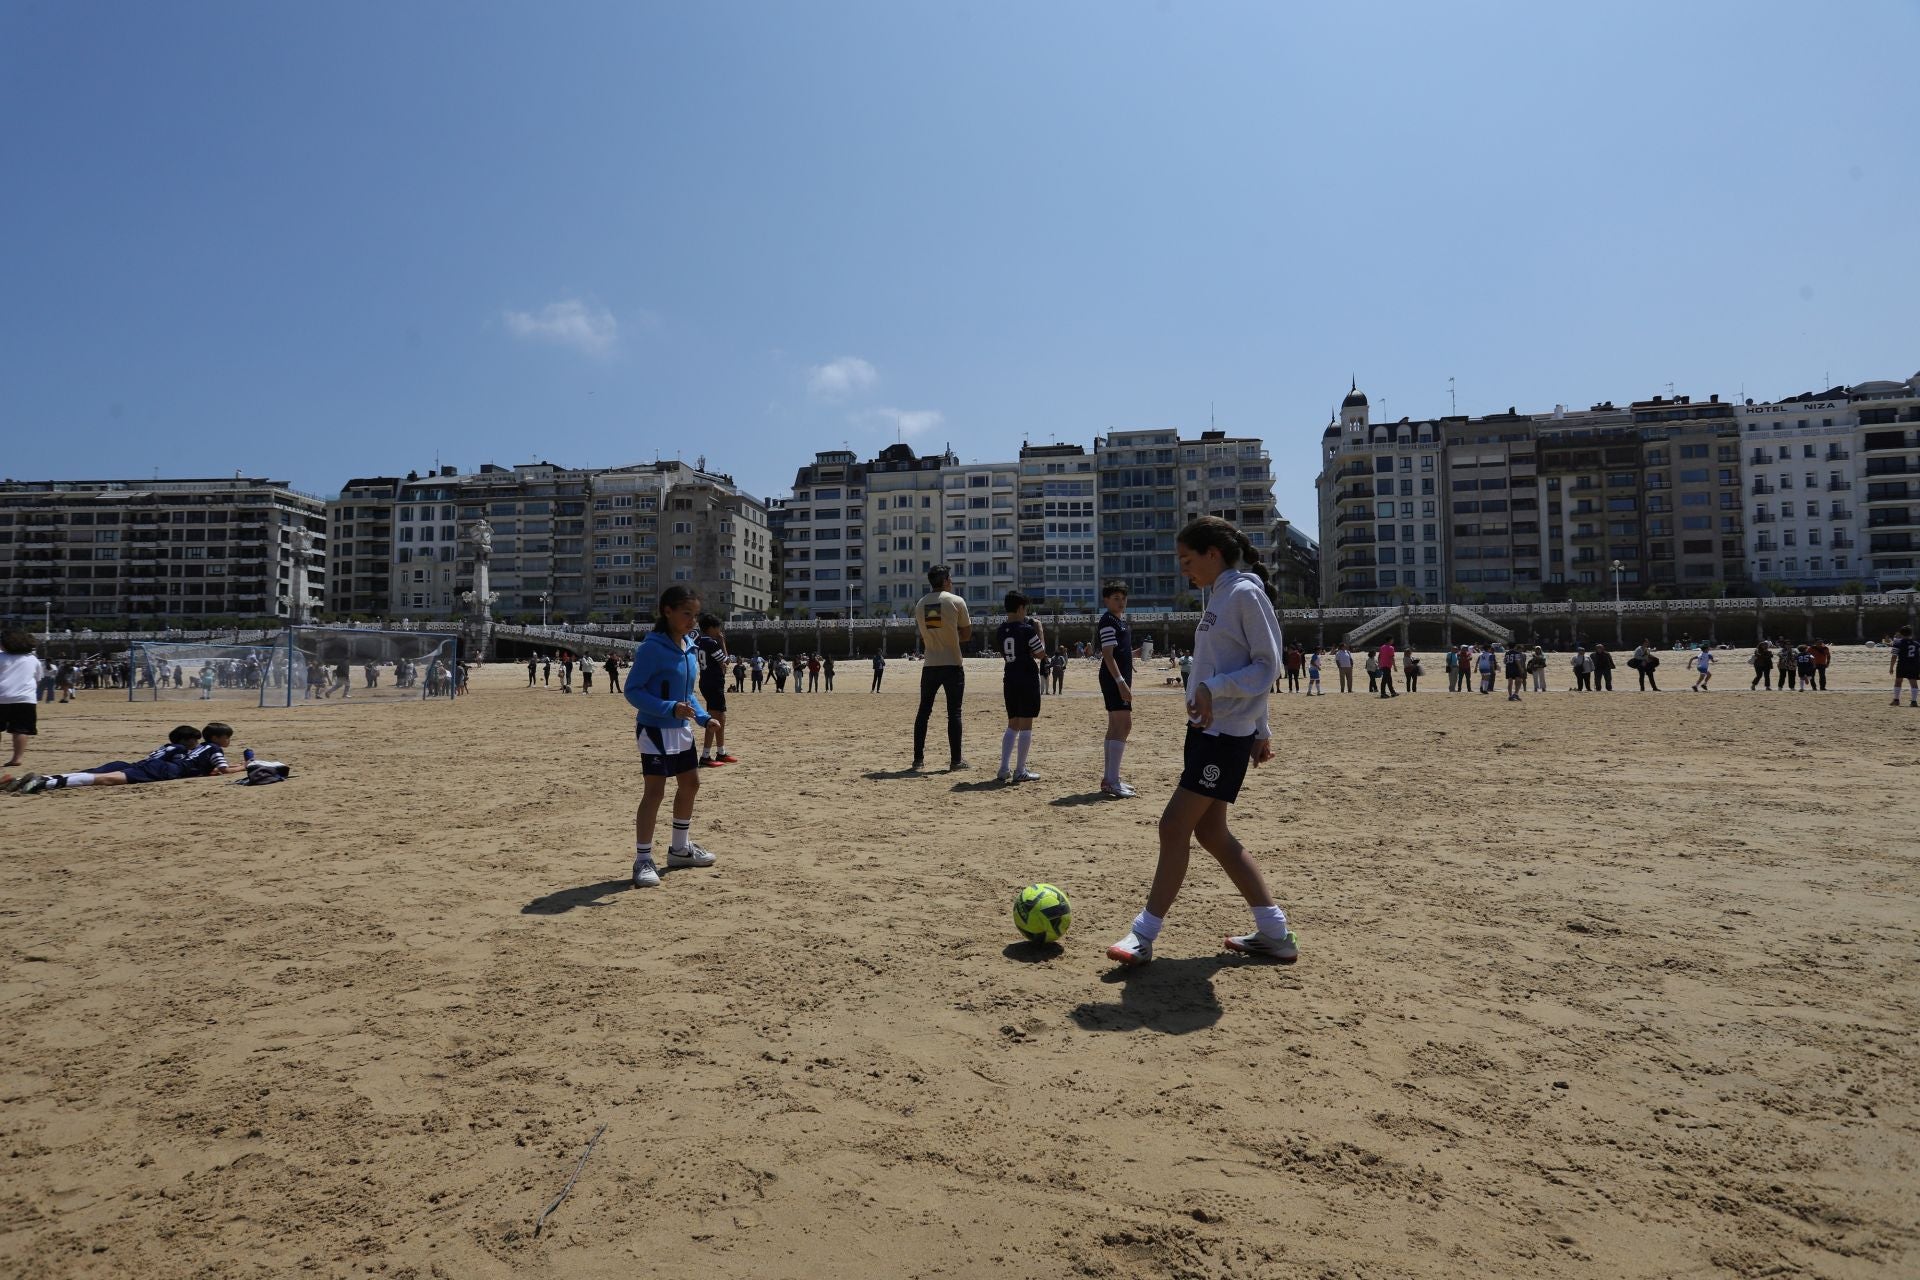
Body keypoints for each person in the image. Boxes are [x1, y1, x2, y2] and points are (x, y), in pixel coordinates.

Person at [1106, 516, 1295, 967]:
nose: (1184, 570)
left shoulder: (1246, 594)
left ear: (1213, 554)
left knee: (1173, 826)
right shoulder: (1220, 595)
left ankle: (1143, 934)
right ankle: (1274, 933)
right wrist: (1260, 728)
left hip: (1224, 737)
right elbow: (1243, 664)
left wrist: (1217, 691)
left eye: (1188, 561)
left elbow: (1269, 667)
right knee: (1212, 832)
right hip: (1210, 732)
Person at [623, 585, 716, 889]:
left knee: (691, 783)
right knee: (655, 792)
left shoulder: (689, 647)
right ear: (668, 611)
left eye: (696, 615)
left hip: (680, 729)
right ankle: (643, 859)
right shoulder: (652, 648)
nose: (693, 620)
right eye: (686, 614)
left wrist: (703, 717)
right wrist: (668, 708)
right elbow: (633, 690)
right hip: (654, 729)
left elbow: (687, 693)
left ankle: (679, 849)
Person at [15, 722, 238, 793]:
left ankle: (42, 778)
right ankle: (45, 783)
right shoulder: (184, 750)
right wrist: (245, 765)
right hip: (158, 769)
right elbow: (221, 769)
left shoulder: (166, 746)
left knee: (95, 773)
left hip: (141, 763)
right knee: (104, 779)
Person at [911, 565, 972, 771]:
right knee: (954, 712)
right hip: (952, 662)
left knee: (923, 712)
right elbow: (966, 634)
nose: (952, 581)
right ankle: (956, 761)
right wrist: (952, 638)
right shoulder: (955, 601)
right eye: (950, 578)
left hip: (930, 664)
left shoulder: (921, 604)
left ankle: (918, 759)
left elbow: (929, 632)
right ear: (945, 580)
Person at [994, 591, 1047, 783]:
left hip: (1010, 677)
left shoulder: (1000, 630)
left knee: (1012, 724)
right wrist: (1040, 630)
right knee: (1026, 725)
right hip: (1026, 678)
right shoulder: (1027, 630)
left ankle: (1003, 767)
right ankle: (1020, 770)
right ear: (1020, 608)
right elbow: (1041, 654)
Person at [1096, 581, 1136, 798]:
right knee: (1123, 724)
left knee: (1115, 726)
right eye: (1115, 599)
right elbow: (1108, 655)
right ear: (1106, 600)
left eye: (1123, 598)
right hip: (1114, 679)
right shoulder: (1109, 622)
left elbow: (1118, 652)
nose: (1121, 602)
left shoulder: (1117, 622)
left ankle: (1110, 778)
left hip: (1115, 677)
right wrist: (1121, 682)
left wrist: (1135, 654)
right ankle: (1112, 780)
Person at [695, 614, 737, 768]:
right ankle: (706, 755)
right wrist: (722, 641)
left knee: (720, 717)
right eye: (718, 627)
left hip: (707, 682)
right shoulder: (712, 643)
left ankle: (721, 751)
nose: (719, 630)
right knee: (714, 719)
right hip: (713, 682)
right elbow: (726, 660)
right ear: (711, 628)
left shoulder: (699, 641)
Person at [1, 629, 42, 771]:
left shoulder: (1, 658)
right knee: (20, 729)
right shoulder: (32, 659)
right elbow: (37, 678)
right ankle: (17, 758)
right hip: (25, 698)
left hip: (1, 696)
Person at [1890, 625, 1919, 707]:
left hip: (1902, 664)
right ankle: (1914, 701)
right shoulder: (1916, 644)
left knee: (1898, 682)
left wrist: (1891, 667)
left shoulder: (1898, 643)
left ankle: (1896, 700)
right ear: (1911, 634)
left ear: (1901, 634)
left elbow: (1894, 656)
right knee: (1913, 683)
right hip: (1914, 665)